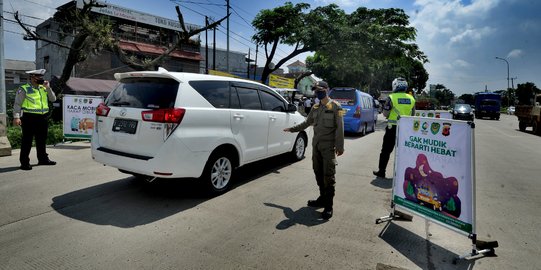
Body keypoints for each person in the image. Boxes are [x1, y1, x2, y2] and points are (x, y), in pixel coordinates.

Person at [284, 81, 345, 220]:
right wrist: (292, 129)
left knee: (328, 176)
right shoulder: (315, 107)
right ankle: (322, 198)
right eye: (316, 90)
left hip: (328, 148)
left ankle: (328, 206)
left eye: (320, 90)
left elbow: (340, 128)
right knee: (317, 172)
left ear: (327, 90)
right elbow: (307, 122)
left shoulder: (337, 107)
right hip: (316, 147)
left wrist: (340, 146)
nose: (318, 92)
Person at [12, 69, 57, 170]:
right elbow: (17, 104)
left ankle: (43, 159)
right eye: (37, 77)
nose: (40, 78)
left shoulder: (44, 88)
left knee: (41, 140)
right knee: (27, 140)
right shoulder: (24, 88)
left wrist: (48, 88)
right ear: (32, 77)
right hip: (28, 117)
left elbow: (53, 99)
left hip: (42, 117)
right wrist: (16, 117)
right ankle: (24, 163)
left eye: (41, 77)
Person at [373, 77, 415, 179]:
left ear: (395, 86)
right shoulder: (412, 99)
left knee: (386, 151)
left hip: (392, 129)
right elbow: (413, 114)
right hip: (405, 130)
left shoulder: (391, 98)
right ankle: (403, 175)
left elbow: (385, 113)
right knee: (404, 152)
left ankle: (381, 172)